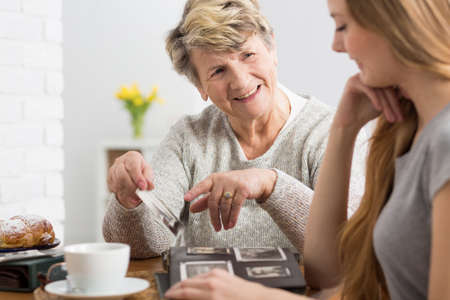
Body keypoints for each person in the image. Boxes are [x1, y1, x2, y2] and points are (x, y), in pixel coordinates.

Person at [164, 0, 450, 299]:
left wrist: (256, 296)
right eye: (218, 70)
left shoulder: (444, 140)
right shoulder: (404, 130)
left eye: (342, 25)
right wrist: (343, 128)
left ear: (395, 23)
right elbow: (328, 273)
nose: (336, 45)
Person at [103, 0, 366, 258]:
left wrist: (270, 184)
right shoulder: (187, 137)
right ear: (200, 87)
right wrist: (129, 200)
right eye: (218, 71)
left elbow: (349, 247)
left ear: (272, 48)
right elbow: (146, 245)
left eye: (248, 55)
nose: (240, 82)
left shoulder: (333, 132)